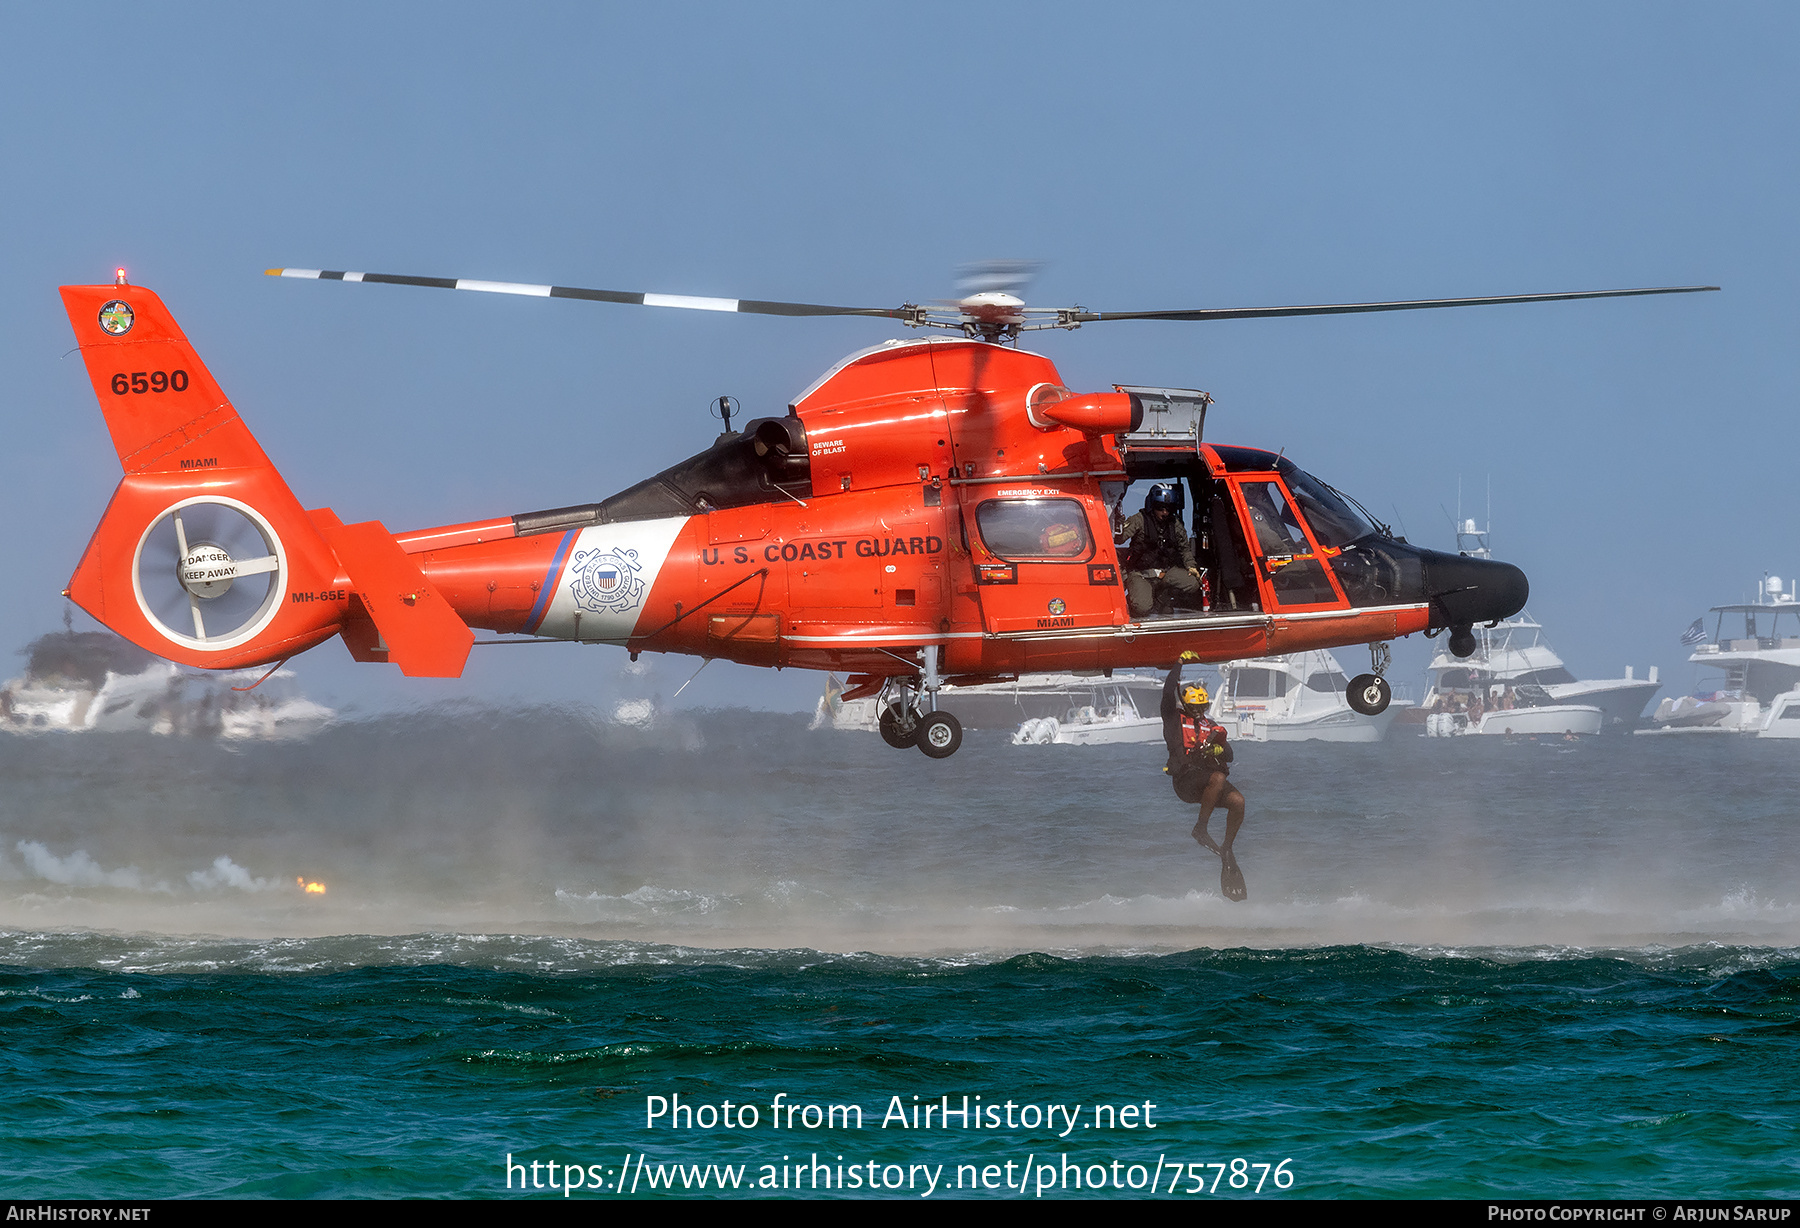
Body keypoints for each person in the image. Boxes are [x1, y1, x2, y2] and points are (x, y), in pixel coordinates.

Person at [1161, 663, 1247, 902]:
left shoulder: (1210, 726)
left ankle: (1227, 848)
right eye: (1195, 707)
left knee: (1238, 801)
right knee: (1218, 778)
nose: (1200, 711)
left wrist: (1220, 747)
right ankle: (1201, 827)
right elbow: (1168, 694)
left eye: (1203, 707)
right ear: (1187, 705)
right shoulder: (1173, 721)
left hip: (1208, 785)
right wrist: (1177, 665)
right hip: (1186, 783)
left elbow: (1229, 755)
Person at [1119, 485, 1202, 617]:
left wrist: (1191, 566)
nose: (1165, 513)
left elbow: (1184, 549)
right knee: (1142, 608)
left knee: (1192, 584)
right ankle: (1135, 599)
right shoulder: (1139, 520)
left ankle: (1161, 599)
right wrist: (1118, 524)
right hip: (1140, 573)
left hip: (1165, 572)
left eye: (1168, 508)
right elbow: (1119, 539)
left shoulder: (1175, 524)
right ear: (1152, 505)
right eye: (1160, 507)